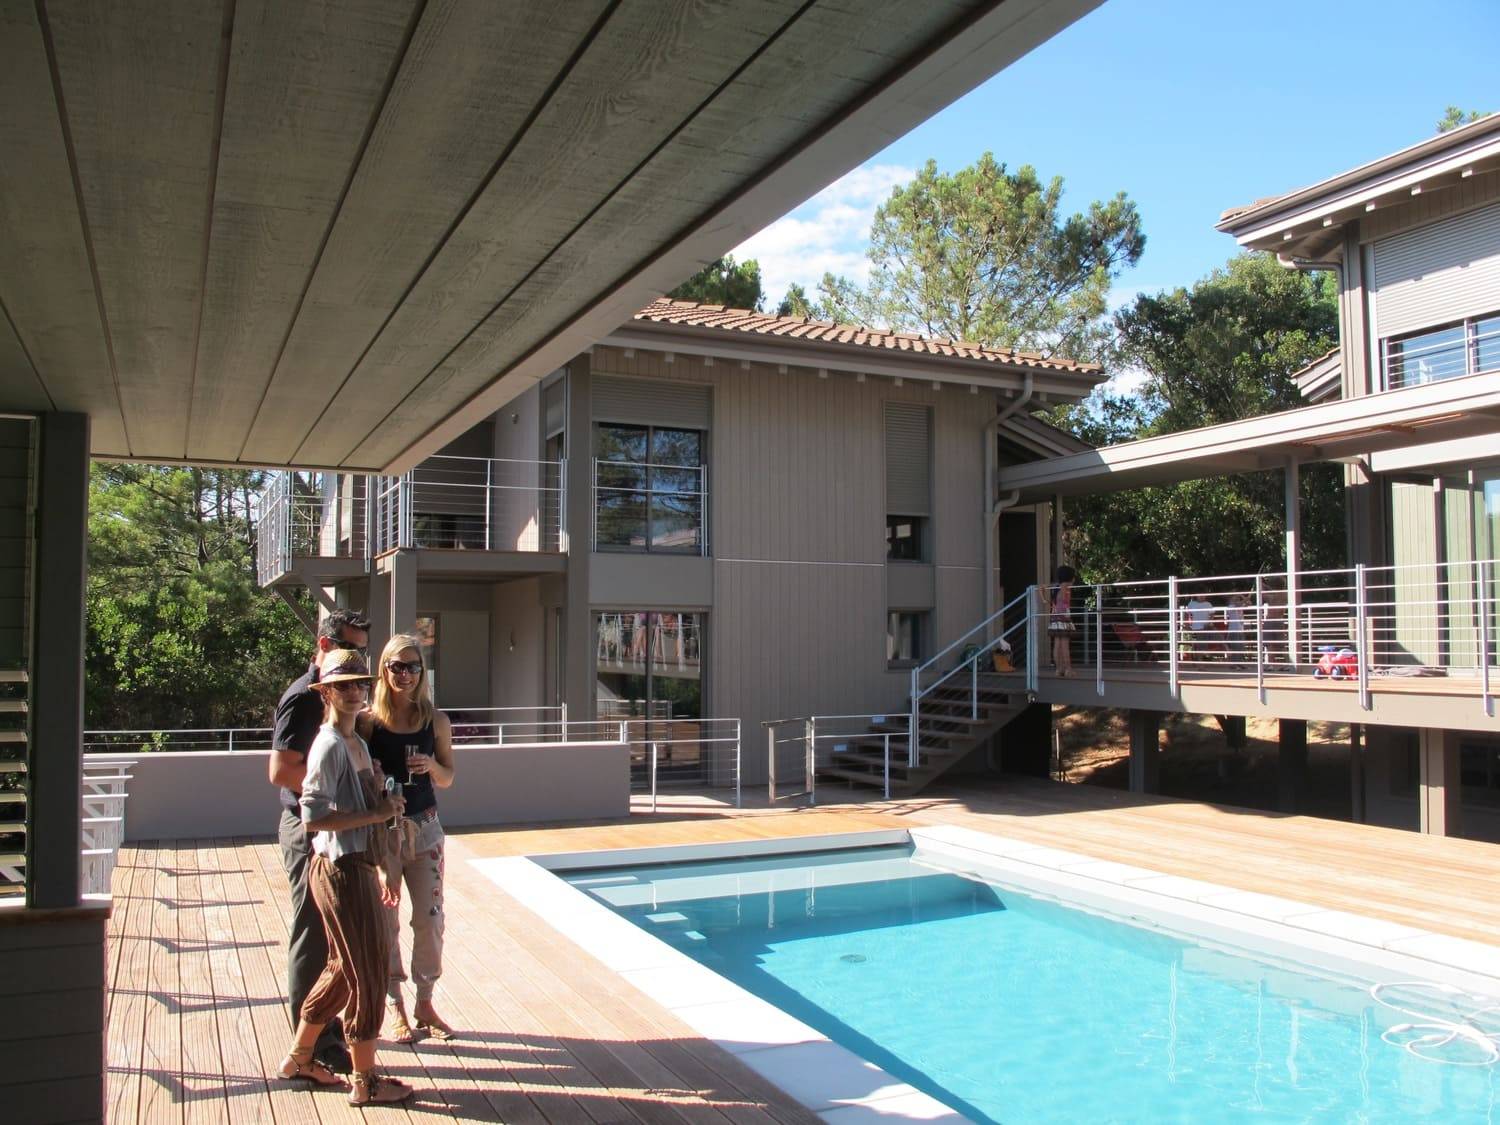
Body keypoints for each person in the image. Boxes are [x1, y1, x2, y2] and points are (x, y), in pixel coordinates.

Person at [276, 650, 413, 1105]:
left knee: (341, 969)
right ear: (326, 693)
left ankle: (300, 1057)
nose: (354, 692)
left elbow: (361, 806)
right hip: (340, 869)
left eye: (359, 684)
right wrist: (375, 813)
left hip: (355, 865)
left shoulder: (355, 742)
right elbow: (312, 816)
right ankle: (365, 1080)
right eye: (343, 686)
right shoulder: (330, 744)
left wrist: (380, 803)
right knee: (369, 971)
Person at [268, 608, 369, 1076]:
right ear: (325, 646)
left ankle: (322, 1036)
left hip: (333, 829)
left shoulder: (342, 696)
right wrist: (336, 799)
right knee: (312, 933)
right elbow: (281, 771)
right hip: (309, 829)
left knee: (335, 935)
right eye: (349, 648)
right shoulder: (303, 698)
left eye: (362, 652)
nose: (356, 661)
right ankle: (309, 1047)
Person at [357, 633, 457, 1044]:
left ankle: (425, 1002)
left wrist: (431, 765)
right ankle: (395, 1003)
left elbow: (448, 778)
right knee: (387, 921)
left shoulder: (436, 721)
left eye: (413, 666)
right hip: (384, 834)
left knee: (430, 919)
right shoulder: (368, 723)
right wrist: (376, 781)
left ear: (422, 671)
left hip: (426, 828)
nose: (405, 675)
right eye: (397, 666)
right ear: (384, 670)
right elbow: (355, 778)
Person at [1045, 565, 1076, 677]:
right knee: (1064, 645)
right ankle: (1068, 669)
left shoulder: (1056, 586)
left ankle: (1059, 669)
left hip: (1055, 618)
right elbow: (1063, 599)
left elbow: (1045, 591)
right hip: (1063, 618)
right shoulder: (1065, 586)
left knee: (1057, 644)